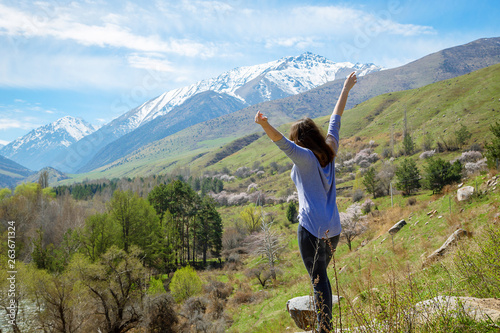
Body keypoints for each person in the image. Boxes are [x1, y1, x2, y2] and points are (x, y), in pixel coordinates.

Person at [254, 72, 357, 332]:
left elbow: (282, 144)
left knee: (318, 279)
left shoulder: (304, 158)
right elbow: (336, 119)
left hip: (311, 229)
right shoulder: (329, 149)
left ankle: (325, 328)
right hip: (333, 229)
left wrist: (263, 124)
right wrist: (345, 88)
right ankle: (326, 324)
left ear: (300, 140)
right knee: (322, 277)